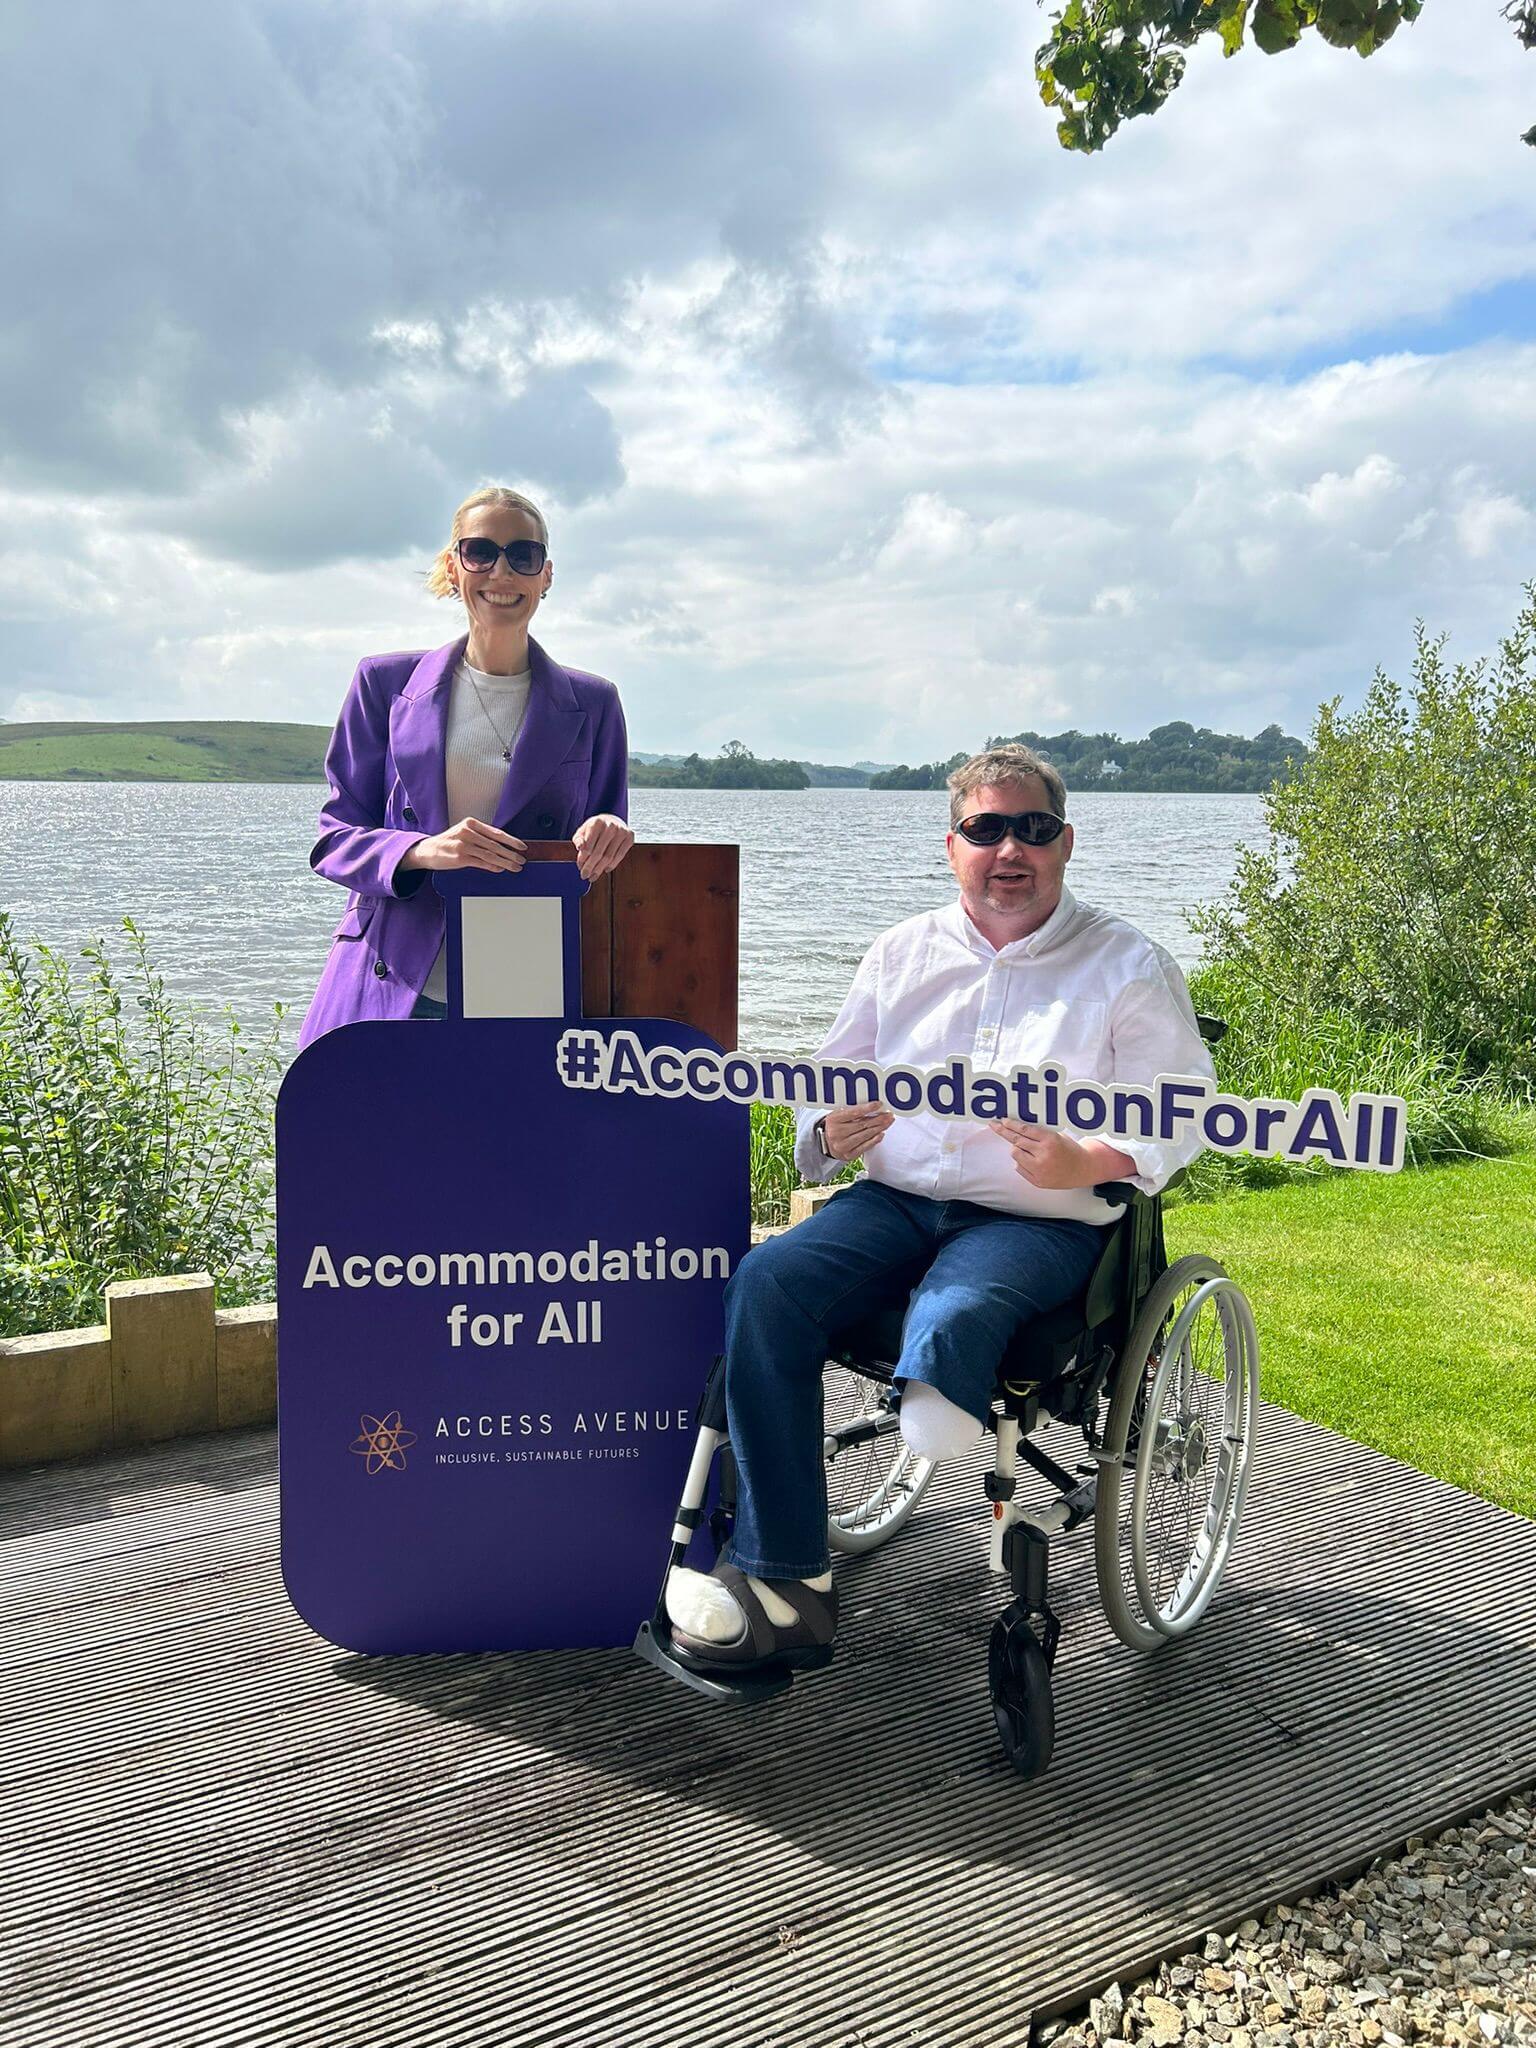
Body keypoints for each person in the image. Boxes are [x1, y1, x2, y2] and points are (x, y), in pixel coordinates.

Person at [664, 744, 1217, 1671]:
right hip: (897, 1199)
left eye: (1032, 830)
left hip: (1037, 1220)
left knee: (959, 1306)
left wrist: (1087, 1155)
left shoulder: (1127, 965)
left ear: (1066, 842)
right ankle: (790, 1578)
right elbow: (826, 1082)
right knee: (767, 1282)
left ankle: (940, 1391)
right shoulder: (901, 953)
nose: (1011, 849)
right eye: (986, 829)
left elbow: (1184, 1108)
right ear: (952, 844)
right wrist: (825, 1132)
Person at [298, 485, 634, 1048]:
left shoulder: (595, 703)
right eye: (481, 552)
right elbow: (334, 841)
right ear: (453, 568)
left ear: (545, 577)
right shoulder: (382, 685)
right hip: (395, 985)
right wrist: (422, 851)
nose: (501, 572)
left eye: (522, 556)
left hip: (528, 989)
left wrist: (612, 832)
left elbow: (604, 846)